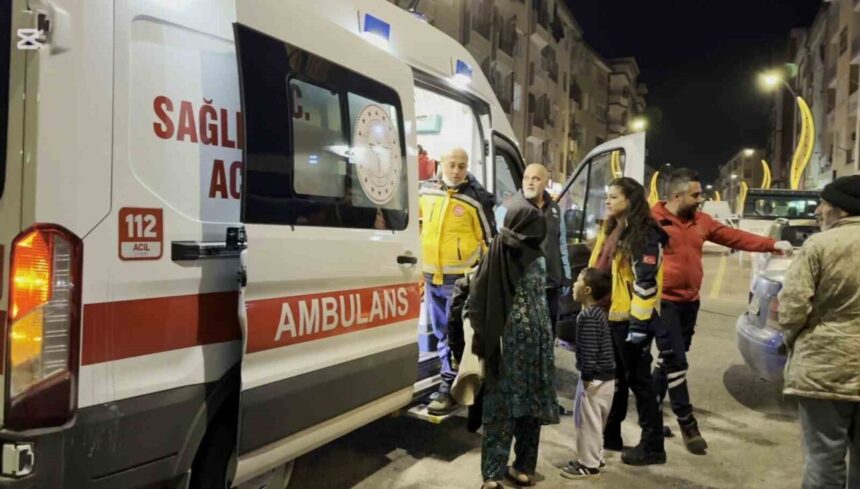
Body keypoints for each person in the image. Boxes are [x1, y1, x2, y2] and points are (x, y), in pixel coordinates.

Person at [651, 169, 791, 453]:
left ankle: (651, 416)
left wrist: (771, 245)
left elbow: (732, 236)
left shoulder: (701, 221)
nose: (700, 199)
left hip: (690, 302)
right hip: (661, 302)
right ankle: (687, 424)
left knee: (669, 360)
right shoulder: (652, 220)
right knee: (676, 361)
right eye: (695, 195)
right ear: (676, 195)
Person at [470, 192, 559, 488]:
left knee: (501, 406)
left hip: (506, 339)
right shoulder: (539, 258)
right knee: (530, 406)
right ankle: (523, 468)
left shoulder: (497, 251)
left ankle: (492, 476)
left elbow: (477, 297)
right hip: (538, 340)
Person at [778, 175, 860, 489]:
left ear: (841, 208)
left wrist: (792, 340)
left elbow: (793, 307)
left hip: (824, 370)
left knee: (824, 460)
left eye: (823, 204)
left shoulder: (820, 245)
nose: (818, 211)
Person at [588, 177, 668, 466]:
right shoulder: (615, 227)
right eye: (607, 196)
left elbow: (646, 284)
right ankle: (612, 433)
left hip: (631, 318)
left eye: (614, 196)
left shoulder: (644, 234)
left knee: (639, 381)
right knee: (618, 378)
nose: (608, 201)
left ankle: (653, 445)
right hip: (614, 314)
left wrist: (638, 324)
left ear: (630, 201)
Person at [419, 147, 495, 415]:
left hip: (460, 282)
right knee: (442, 333)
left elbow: (490, 241)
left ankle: (452, 386)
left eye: (462, 166)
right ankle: (454, 383)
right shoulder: (425, 192)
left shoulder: (476, 200)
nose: (456, 171)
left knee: (456, 336)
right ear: (441, 163)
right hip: (431, 278)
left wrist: (484, 278)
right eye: (451, 164)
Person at [496, 164, 572, 334]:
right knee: (525, 335)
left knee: (549, 332)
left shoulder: (554, 209)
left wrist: (566, 275)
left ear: (545, 182)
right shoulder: (506, 209)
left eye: (536, 179)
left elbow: (561, 242)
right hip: (522, 286)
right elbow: (499, 249)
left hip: (550, 283)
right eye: (526, 178)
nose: (530, 182)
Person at [562, 268, 615, 479]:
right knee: (596, 423)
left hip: (595, 378)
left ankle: (588, 464)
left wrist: (586, 377)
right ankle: (596, 457)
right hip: (605, 376)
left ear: (587, 290)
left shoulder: (587, 316)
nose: (574, 285)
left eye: (578, 281)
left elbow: (591, 350)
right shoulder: (597, 313)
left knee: (587, 423)